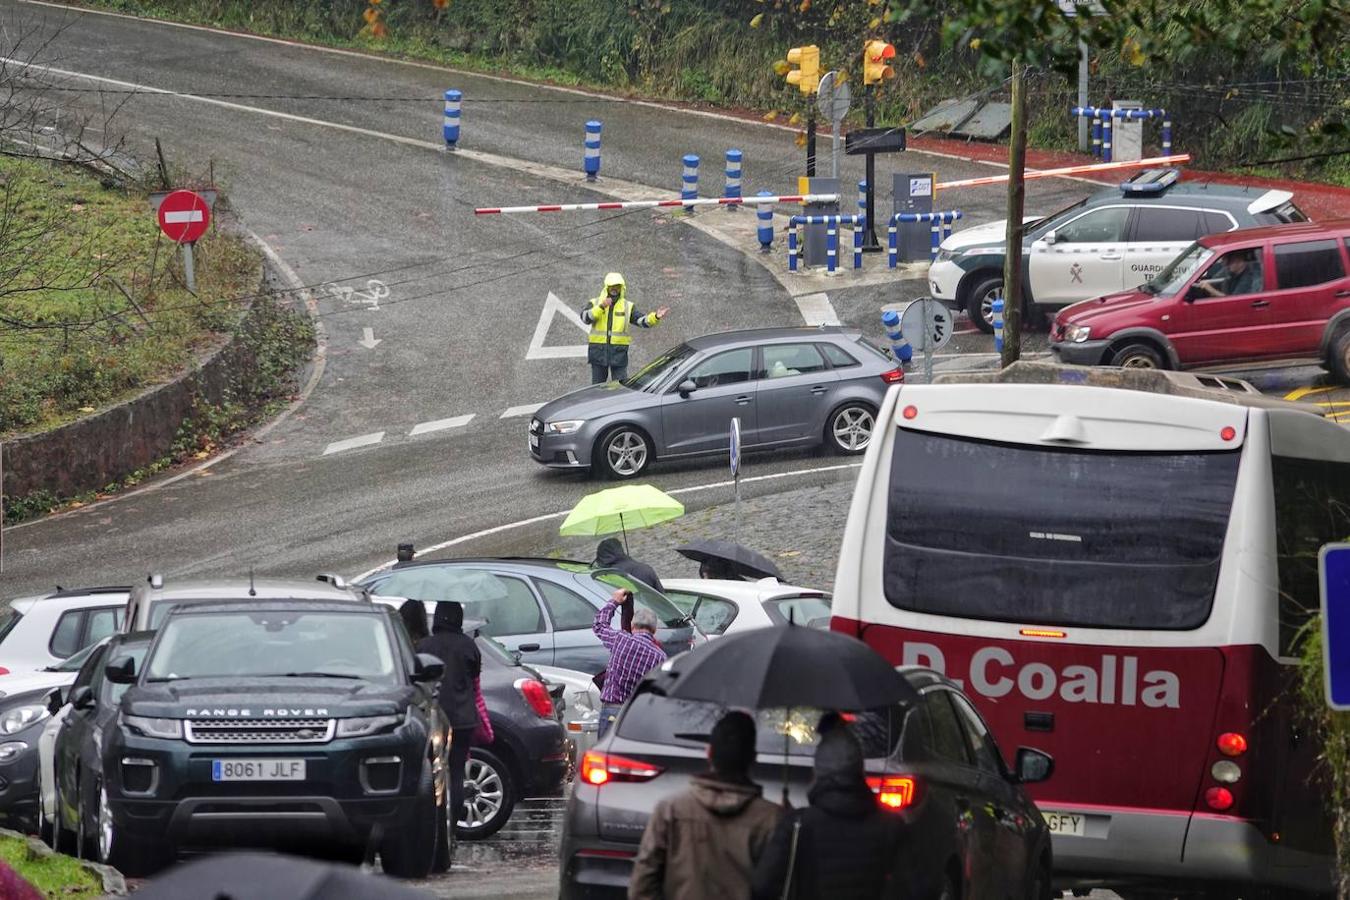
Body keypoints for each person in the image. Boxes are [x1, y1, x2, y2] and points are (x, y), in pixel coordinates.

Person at [630, 711, 782, 900]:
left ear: (709, 753)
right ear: (753, 758)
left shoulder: (671, 809)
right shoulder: (772, 819)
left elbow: (643, 881)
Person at [751, 728, 908, 900]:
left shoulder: (798, 825)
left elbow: (763, 886)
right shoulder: (892, 826)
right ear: (860, 772)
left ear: (817, 773)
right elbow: (915, 888)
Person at [416, 601, 481, 838]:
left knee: (432, 773)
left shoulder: (424, 645)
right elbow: (474, 677)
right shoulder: (468, 645)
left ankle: (433, 825)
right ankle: (451, 828)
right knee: (456, 772)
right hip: (463, 718)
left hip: (433, 718)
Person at [592, 588, 667, 736]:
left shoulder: (621, 640)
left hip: (612, 711)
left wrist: (614, 601)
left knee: (607, 757)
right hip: (638, 716)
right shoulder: (661, 657)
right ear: (655, 629)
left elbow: (599, 625)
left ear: (632, 625)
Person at [582, 272, 670, 384]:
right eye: (611, 287)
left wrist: (655, 317)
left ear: (622, 288)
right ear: (606, 288)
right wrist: (601, 307)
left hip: (618, 354)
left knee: (621, 389)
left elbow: (641, 321)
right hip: (598, 353)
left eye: (617, 287)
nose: (614, 289)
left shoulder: (627, 306)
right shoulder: (595, 303)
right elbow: (585, 318)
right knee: (597, 389)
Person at [595, 537, 664, 592]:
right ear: (620, 549)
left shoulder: (607, 577)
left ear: (601, 556)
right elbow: (662, 596)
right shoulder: (645, 568)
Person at [1198, 250, 1263, 297]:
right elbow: (1216, 280)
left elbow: (1232, 300)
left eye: (1231, 262)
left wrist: (1212, 290)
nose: (1228, 265)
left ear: (1240, 263)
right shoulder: (1232, 273)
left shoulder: (1247, 279)